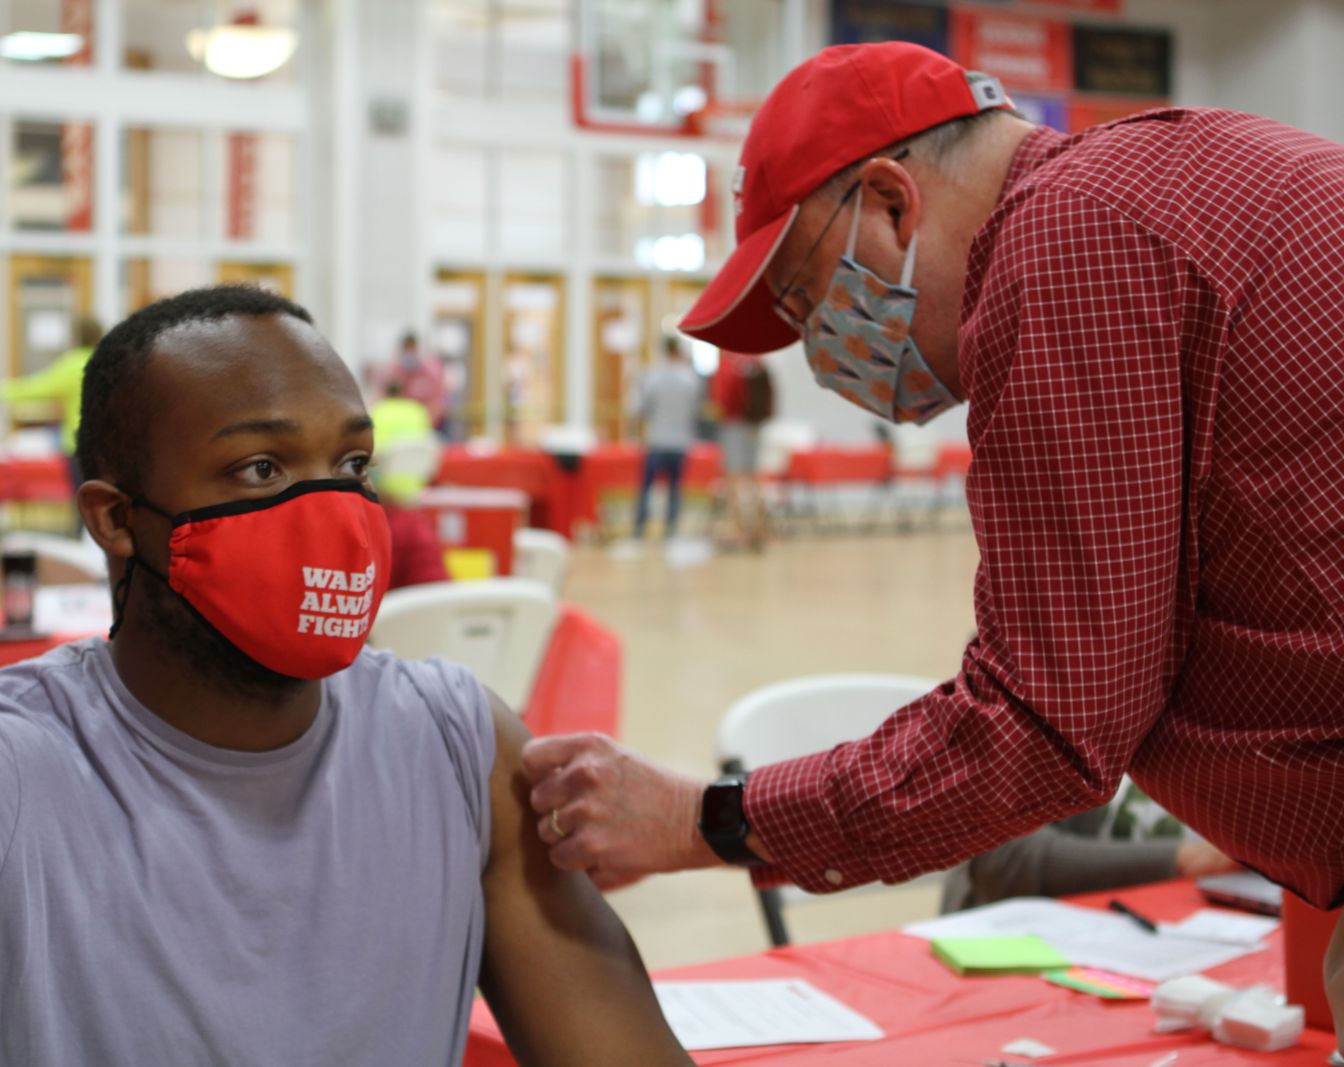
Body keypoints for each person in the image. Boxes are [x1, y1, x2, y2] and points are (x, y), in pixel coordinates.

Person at [517, 42, 1344, 1044]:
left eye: (805, 295)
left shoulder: (1063, 243)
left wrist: (705, 817)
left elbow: (1045, 724)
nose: (822, 348)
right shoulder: (1180, 174)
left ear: (891, 201)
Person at [0, 286, 691, 1067]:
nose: (327, 510)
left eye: (350, 462)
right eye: (261, 467)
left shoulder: (455, 745)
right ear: (117, 520)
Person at [941, 778, 1239, 912]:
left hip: (1209, 933)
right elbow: (1000, 856)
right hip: (1018, 941)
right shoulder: (1064, 665)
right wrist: (1184, 858)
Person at [0, 316, 104, 489]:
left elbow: (38, 388)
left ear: (76, 337)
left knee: (83, 500)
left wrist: (1, 391)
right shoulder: (108, 362)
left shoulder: (72, 365)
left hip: (79, 445)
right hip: (106, 445)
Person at [370, 382, 452, 589]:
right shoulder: (417, 411)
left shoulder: (378, 411)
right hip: (417, 486)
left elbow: (375, 452)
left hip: (386, 484)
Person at [631, 336, 703, 541]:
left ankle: (640, 526)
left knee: (647, 486)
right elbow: (695, 410)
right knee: (674, 487)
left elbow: (641, 408)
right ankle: (671, 527)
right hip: (680, 441)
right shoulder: (690, 378)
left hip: (657, 439)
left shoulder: (652, 376)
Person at [710, 350, 775, 551]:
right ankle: (760, 529)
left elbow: (721, 399)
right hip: (755, 424)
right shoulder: (758, 361)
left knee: (734, 479)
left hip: (733, 425)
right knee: (754, 478)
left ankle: (738, 529)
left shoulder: (728, 364)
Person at [379, 330, 448, 431]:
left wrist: (428, 423)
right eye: (406, 349)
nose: (409, 352)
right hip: (401, 424)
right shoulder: (395, 370)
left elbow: (437, 400)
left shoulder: (430, 372)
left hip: (427, 424)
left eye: (412, 348)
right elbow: (385, 396)